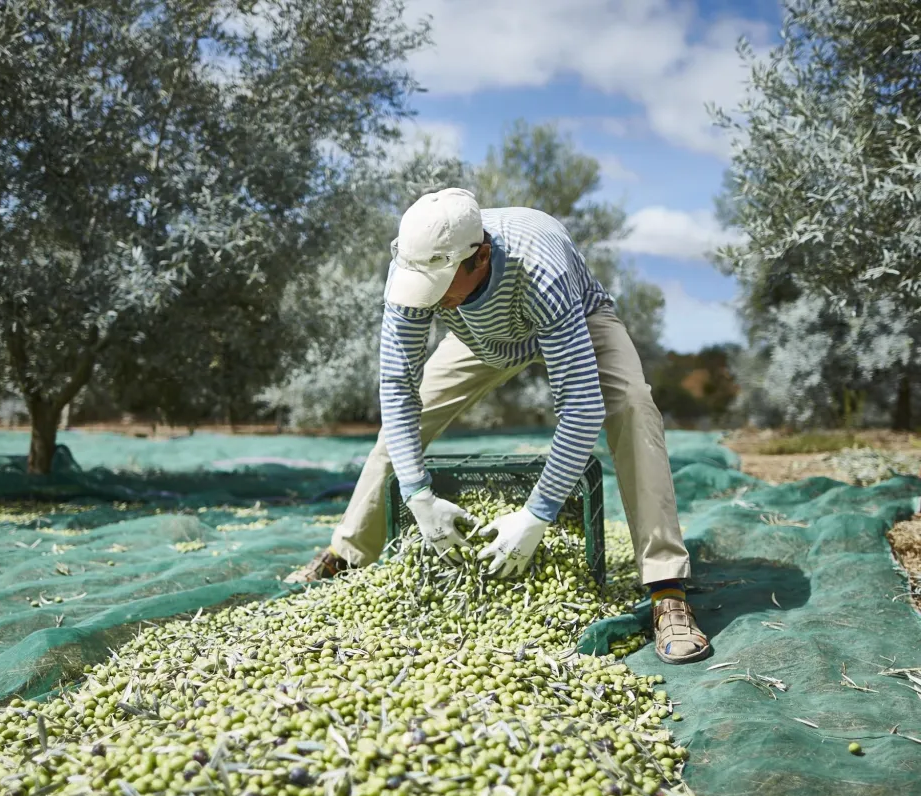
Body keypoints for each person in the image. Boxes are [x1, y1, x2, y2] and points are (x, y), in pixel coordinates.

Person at [284, 188, 710, 664]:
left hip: (574, 318)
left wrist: (536, 514)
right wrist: (417, 493)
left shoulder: (539, 269)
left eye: (442, 286)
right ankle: (346, 552)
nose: (432, 301)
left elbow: (581, 406)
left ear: (480, 256)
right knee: (405, 425)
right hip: (482, 337)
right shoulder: (415, 264)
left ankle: (666, 589)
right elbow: (397, 387)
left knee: (632, 405)